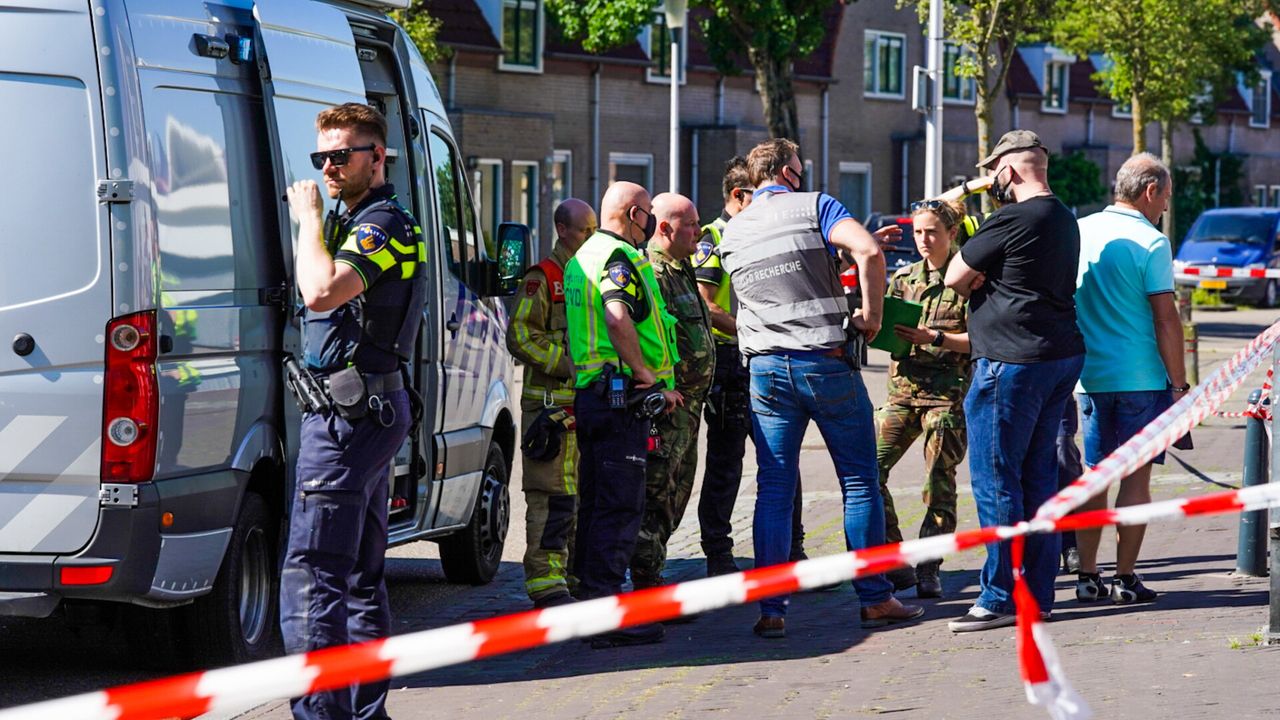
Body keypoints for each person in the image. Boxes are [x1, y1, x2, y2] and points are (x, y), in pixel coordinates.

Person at [719, 138, 923, 638]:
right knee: (859, 481)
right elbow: (868, 250)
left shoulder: (731, 230)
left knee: (774, 488)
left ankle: (772, 609)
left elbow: (781, 281)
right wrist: (872, 316)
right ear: (787, 173)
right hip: (824, 364)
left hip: (766, 371)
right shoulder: (815, 205)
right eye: (799, 170)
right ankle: (875, 599)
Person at [282, 103, 425, 719]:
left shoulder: (381, 224)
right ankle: (366, 714)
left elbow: (320, 292)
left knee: (313, 573)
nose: (329, 167)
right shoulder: (361, 220)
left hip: (350, 420)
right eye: (322, 157)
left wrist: (309, 219)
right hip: (365, 411)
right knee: (362, 576)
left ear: (378, 156)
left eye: (342, 155)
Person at [943, 130, 1085, 633]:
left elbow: (952, 276)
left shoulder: (1010, 218)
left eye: (993, 174)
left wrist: (964, 199)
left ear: (1007, 170)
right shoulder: (1064, 217)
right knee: (1038, 478)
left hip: (1010, 361)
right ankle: (1037, 596)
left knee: (996, 479)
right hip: (1058, 355)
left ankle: (999, 596)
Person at [564, 181, 682, 648]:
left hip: (593, 394)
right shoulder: (618, 258)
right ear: (635, 215)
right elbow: (617, 317)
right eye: (648, 213)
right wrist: (646, 374)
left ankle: (592, 602)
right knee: (619, 506)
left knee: (596, 502)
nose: (650, 222)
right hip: (619, 397)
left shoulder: (583, 256)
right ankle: (607, 612)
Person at [1073, 153, 1186, 605]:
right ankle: (1125, 578)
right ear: (1150, 191)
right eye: (1166, 197)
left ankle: (1086, 575)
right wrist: (1179, 385)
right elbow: (1165, 318)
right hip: (1141, 377)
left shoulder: (1080, 231)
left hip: (1089, 376)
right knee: (1135, 480)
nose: (1166, 207)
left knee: (1095, 476)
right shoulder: (1152, 242)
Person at [693, 157, 811, 577]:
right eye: (757, 196)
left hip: (765, 357)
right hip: (731, 363)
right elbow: (706, 304)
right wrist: (753, 328)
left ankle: (792, 550)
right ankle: (718, 554)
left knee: (782, 458)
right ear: (738, 196)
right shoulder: (714, 238)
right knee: (726, 463)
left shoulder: (759, 232)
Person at [875, 200, 972, 599]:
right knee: (867, 471)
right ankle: (896, 560)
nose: (923, 239)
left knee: (938, 483)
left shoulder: (968, 280)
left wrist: (936, 337)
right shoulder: (903, 278)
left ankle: (929, 567)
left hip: (944, 399)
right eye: (917, 232)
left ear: (952, 233)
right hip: (902, 394)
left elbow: (980, 341)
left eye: (932, 231)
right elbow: (884, 328)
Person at [508, 198, 597, 609]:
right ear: (563, 230)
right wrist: (567, 366)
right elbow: (520, 335)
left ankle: (572, 578)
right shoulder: (543, 278)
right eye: (585, 231)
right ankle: (546, 583)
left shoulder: (588, 277)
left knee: (580, 497)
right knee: (552, 497)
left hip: (585, 409)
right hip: (550, 412)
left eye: (595, 230)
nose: (591, 238)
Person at [629, 193, 715, 591]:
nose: (699, 231)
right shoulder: (654, 273)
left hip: (690, 407)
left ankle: (652, 573)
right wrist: (662, 389)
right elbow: (648, 339)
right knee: (658, 495)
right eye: (691, 224)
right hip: (668, 408)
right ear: (665, 228)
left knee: (677, 493)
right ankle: (647, 583)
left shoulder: (681, 269)